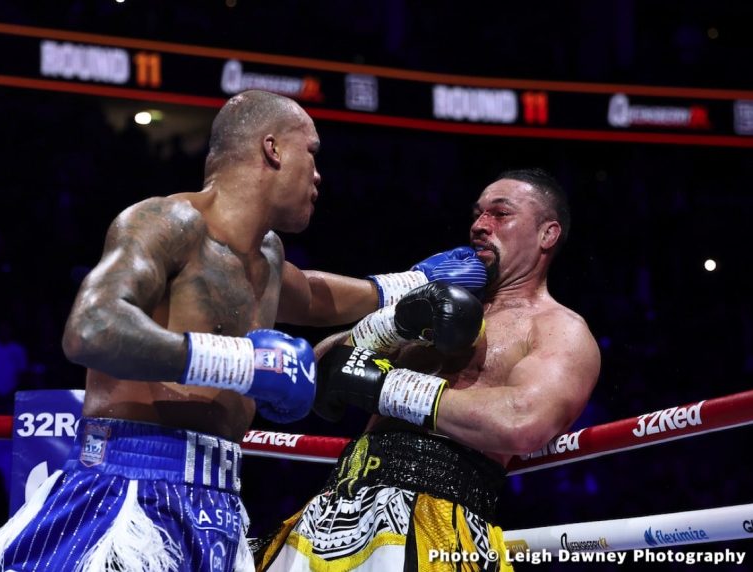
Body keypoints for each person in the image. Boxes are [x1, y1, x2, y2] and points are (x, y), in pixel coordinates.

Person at [0, 90, 488, 572]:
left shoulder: (267, 255)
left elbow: (311, 295)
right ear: (273, 150)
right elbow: (91, 327)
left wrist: (414, 283)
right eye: (311, 153)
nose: (318, 175)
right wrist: (240, 362)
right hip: (131, 485)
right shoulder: (166, 221)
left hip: (219, 501)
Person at [256, 168, 601, 572]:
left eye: (500, 214)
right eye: (477, 213)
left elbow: (523, 420)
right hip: (333, 505)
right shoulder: (432, 304)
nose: (479, 225)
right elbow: (313, 372)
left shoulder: (558, 329)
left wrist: (386, 387)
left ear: (548, 234)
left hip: (437, 517)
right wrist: (391, 323)